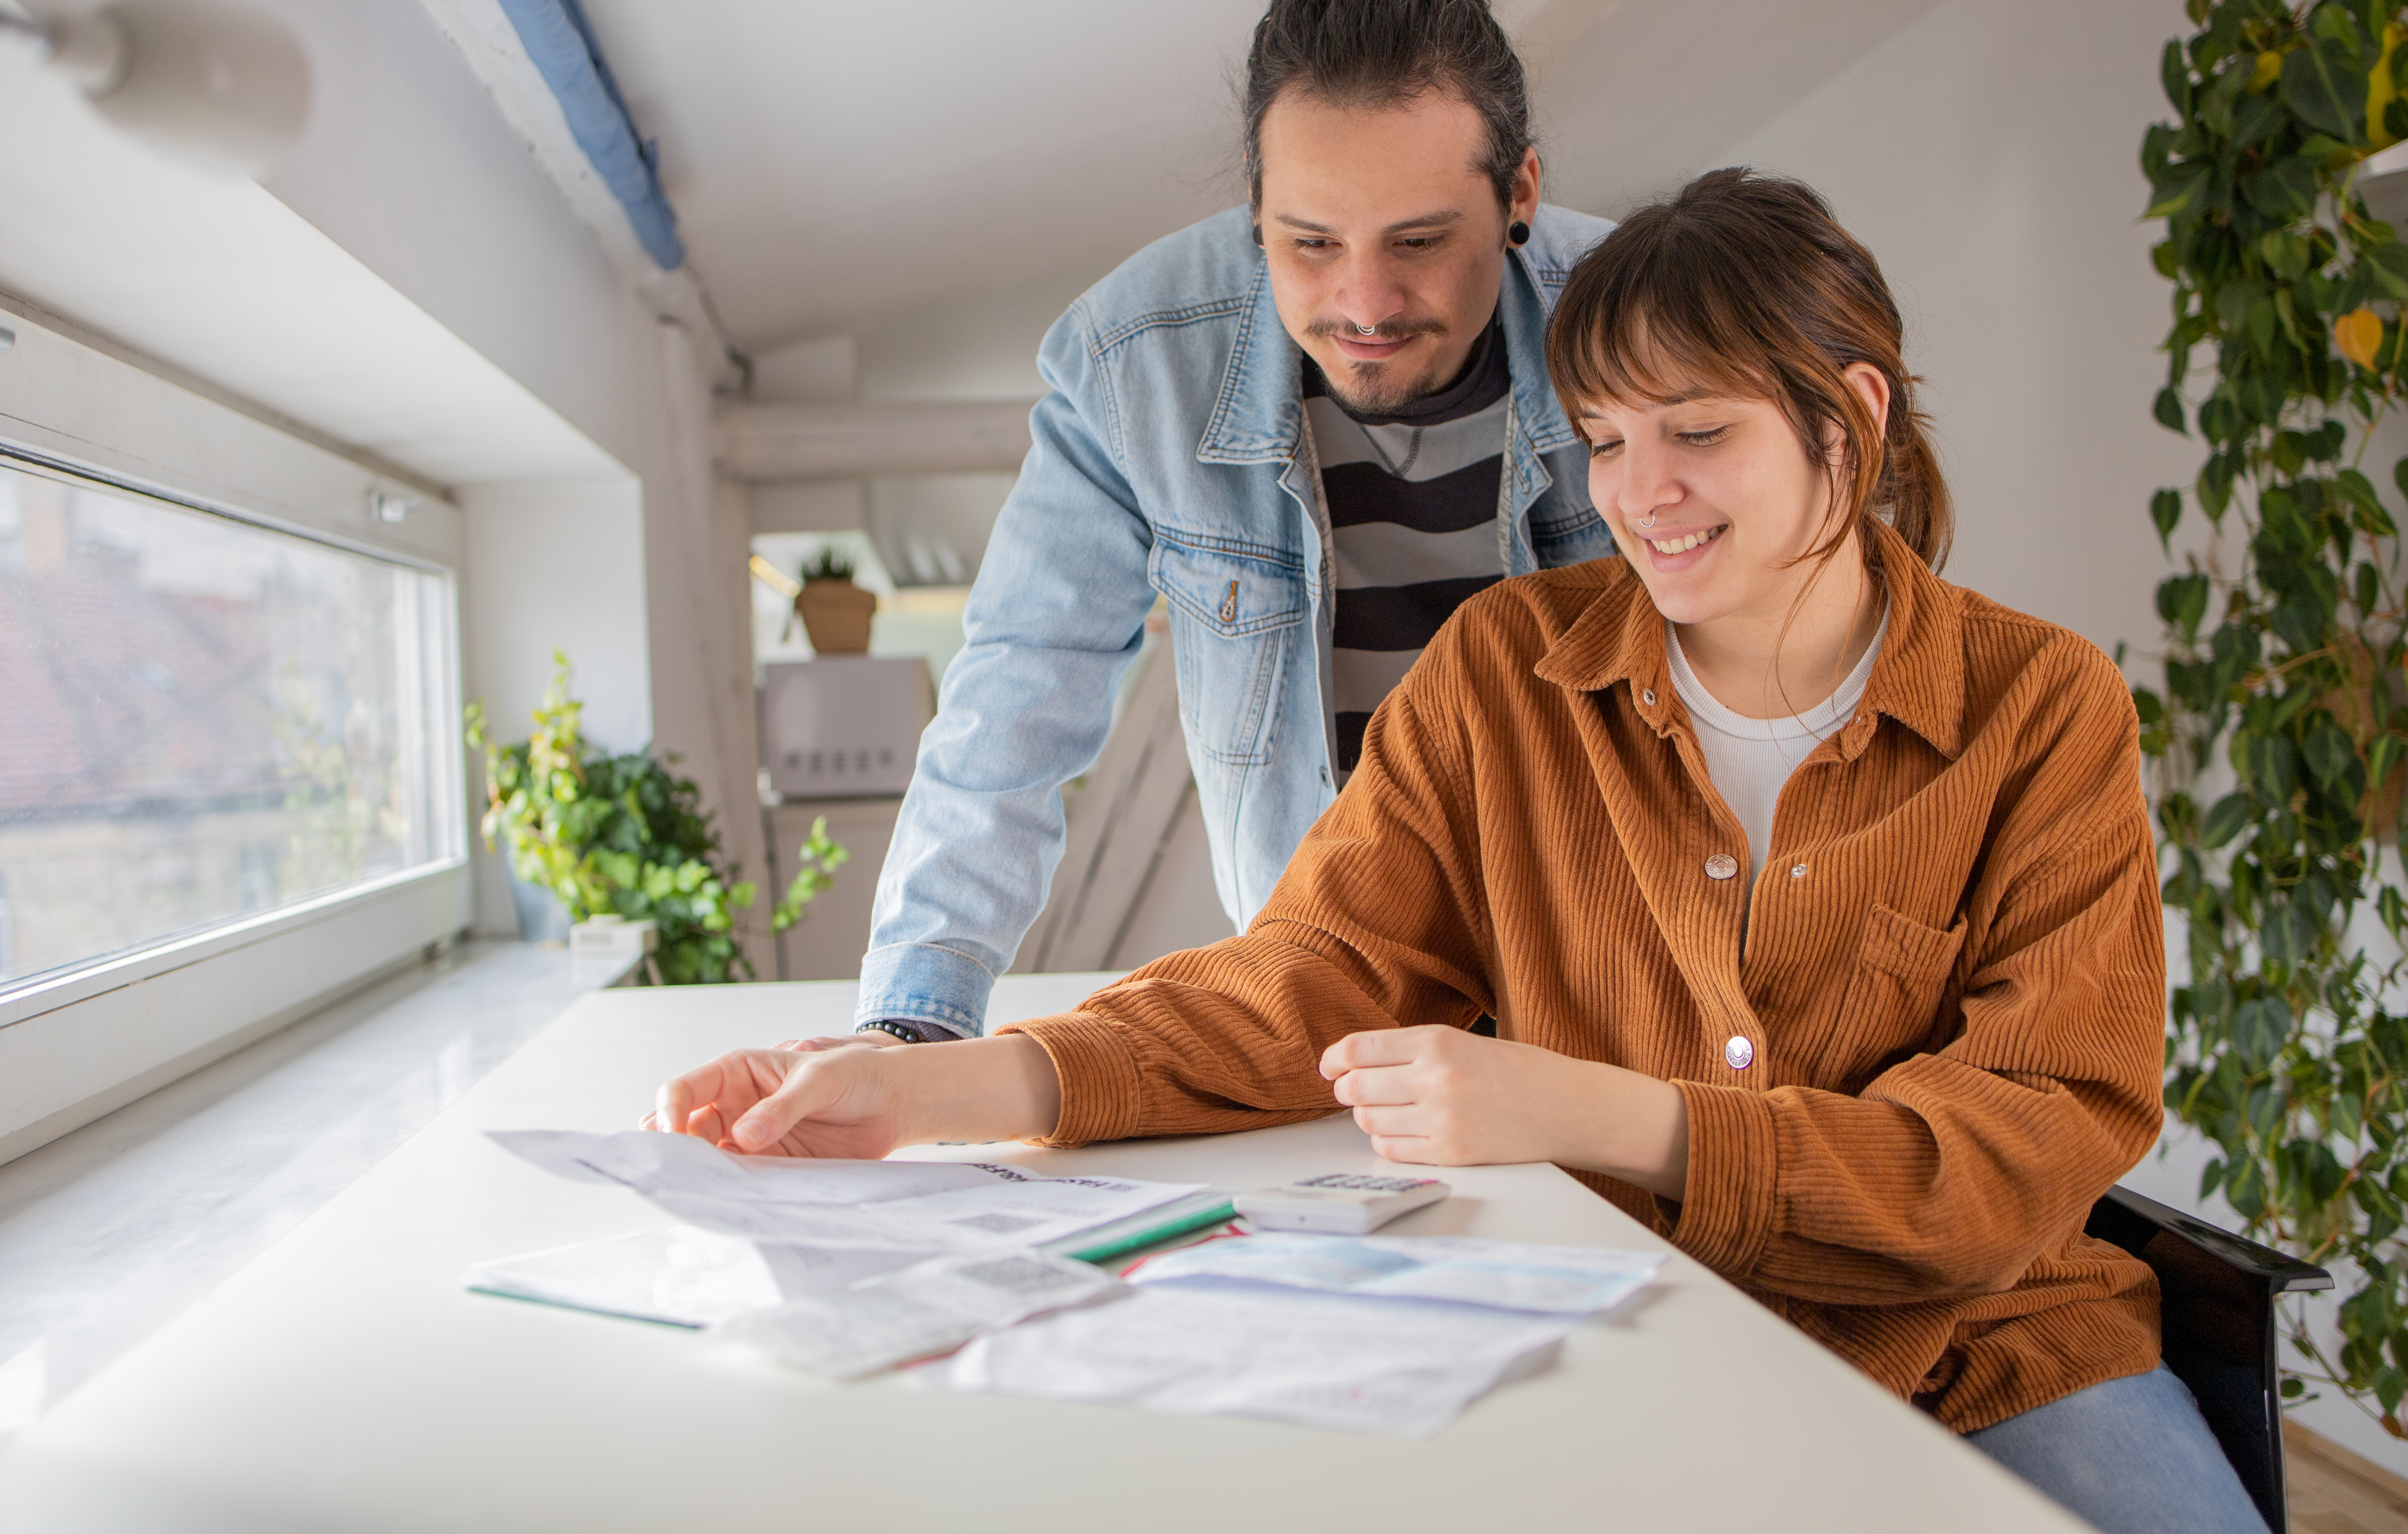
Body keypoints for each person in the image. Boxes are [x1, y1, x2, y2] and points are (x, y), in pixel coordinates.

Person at [658, 169, 2263, 1534]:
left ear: (1848, 415)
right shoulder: (1510, 671)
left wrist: (1612, 1115)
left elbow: (2022, 1144)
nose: (1642, 496)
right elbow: (1305, 977)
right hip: (1637, 1334)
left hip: (1992, 1345)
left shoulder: (2042, 706)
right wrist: (924, 1082)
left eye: (1696, 431)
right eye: (1608, 440)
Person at [843, 0, 1617, 1047]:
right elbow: (1019, 689)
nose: (1363, 305)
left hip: (1611, 982)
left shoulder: (1644, 320)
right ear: (1253, 207)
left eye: (1417, 242)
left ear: (1520, 195)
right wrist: (910, 1028)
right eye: (1309, 242)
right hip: (1325, 996)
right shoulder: (1134, 363)